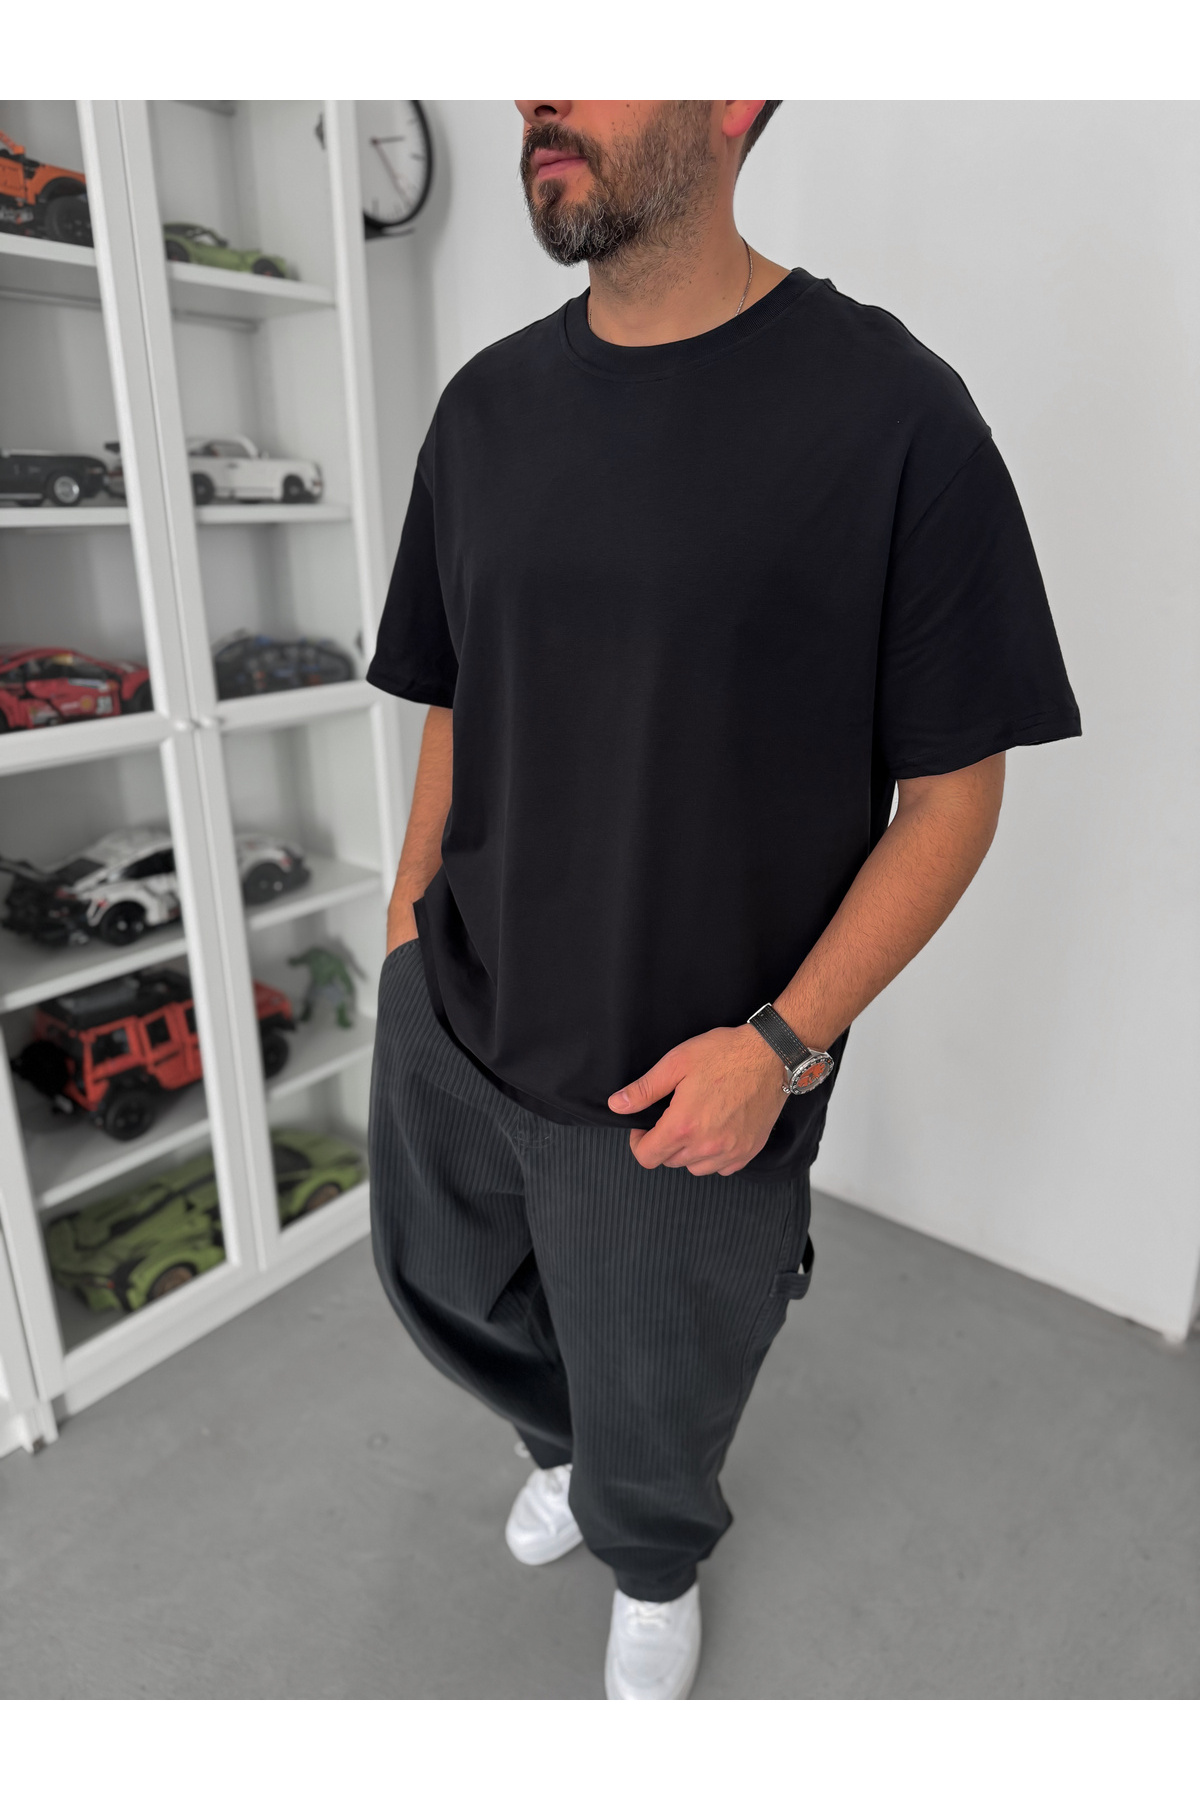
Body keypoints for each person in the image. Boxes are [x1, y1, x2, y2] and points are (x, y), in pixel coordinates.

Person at [366, 100, 1080, 1701]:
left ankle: (652, 1557)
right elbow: (455, 693)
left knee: (667, 1380)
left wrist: (783, 1043)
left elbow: (954, 797)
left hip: (683, 1075)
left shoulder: (895, 418)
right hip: (457, 1013)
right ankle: (568, 1455)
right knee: (450, 1294)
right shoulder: (484, 412)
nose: (538, 95)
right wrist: (409, 920)